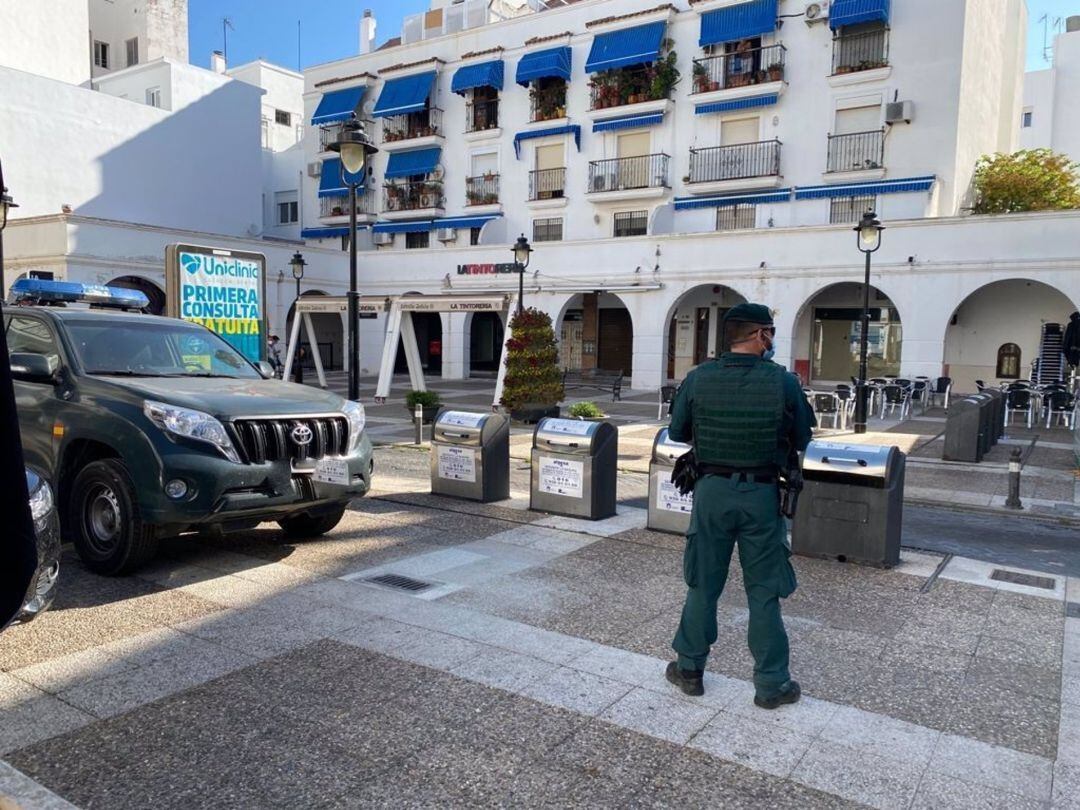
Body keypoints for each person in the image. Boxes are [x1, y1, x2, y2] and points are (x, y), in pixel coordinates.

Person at [665, 303, 815, 709]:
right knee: (764, 592)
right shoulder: (783, 382)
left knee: (703, 585)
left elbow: (677, 431)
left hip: (711, 491)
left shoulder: (699, 378)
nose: (772, 339)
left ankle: (690, 670)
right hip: (761, 496)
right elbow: (803, 437)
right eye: (770, 331)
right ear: (759, 335)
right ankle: (772, 685)